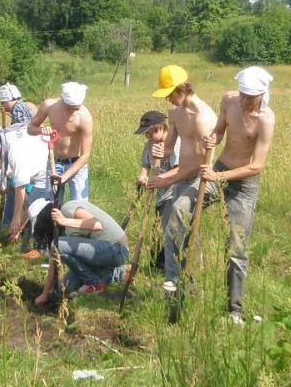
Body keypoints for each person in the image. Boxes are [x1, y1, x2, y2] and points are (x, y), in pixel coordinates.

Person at [199, 66, 276, 324]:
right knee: (183, 210)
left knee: (236, 247)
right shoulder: (229, 100)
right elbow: (219, 130)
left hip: (244, 184)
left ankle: (235, 310)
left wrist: (218, 178)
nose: (244, 100)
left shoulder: (266, 120)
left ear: (262, 94)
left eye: (250, 97)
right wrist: (212, 139)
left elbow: (257, 166)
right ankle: (184, 278)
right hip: (219, 168)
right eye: (242, 93)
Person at [144, 66, 217, 310]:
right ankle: (183, 284)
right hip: (180, 178)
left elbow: (202, 163)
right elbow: (169, 147)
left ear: (181, 88)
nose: (167, 98)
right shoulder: (174, 112)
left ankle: (177, 283)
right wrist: (161, 151)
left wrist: (168, 180)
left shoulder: (202, 118)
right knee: (180, 233)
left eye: (170, 93)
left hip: (199, 179)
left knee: (176, 220)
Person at [33, 199, 130, 306]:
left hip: (117, 249)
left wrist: (64, 220)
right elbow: (54, 260)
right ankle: (120, 272)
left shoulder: (67, 208)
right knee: (64, 288)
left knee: (57, 245)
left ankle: (94, 283)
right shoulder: (64, 232)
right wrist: (45, 294)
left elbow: (97, 224)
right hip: (100, 254)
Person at [0, 123, 50, 246]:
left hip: (46, 170)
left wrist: (16, 219)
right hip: (39, 173)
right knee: (35, 209)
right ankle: (38, 245)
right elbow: (28, 206)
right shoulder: (8, 141)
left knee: (41, 211)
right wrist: (18, 228)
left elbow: (21, 191)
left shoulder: (14, 152)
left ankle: (41, 246)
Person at [27, 81, 93, 201]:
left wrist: (63, 177)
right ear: (62, 100)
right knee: (52, 203)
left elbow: (85, 156)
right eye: (69, 108)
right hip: (54, 162)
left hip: (76, 164)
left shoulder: (85, 117)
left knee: (79, 205)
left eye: (76, 108)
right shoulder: (49, 106)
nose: (72, 111)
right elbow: (30, 129)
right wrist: (41, 130)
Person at [133, 110, 178, 267]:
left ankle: (168, 265)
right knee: (157, 228)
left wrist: (159, 179)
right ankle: (157, 265)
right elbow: (145, 164)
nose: (147, 137)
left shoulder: (175, 143)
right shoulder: (149, 145)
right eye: (145, 134)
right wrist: (142, 176)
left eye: (149, 133)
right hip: (160, 193)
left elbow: (179, 169)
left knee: (167, 229)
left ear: (160, 128)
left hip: (174, 192)